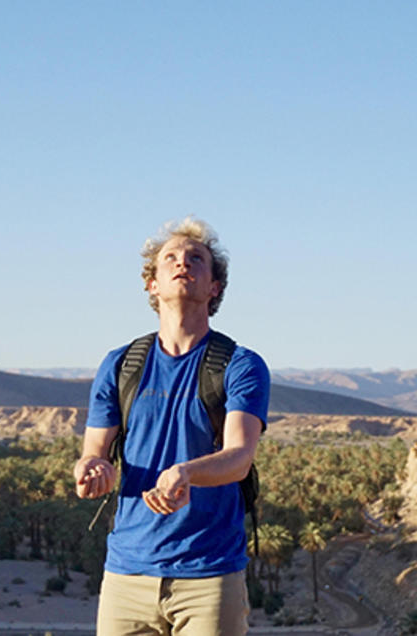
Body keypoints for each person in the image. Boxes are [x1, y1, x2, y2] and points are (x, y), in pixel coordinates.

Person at [73, 217, 270, 635]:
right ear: (152, 284)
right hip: (127, 574)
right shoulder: (121, 365)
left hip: (209, 575)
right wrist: (92, 470)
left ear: (215, 286)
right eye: (171, 258)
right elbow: (94, 451)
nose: (183, 263)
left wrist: (186, 472)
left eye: (196, 258)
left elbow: (239, 457)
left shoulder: (240, 365)